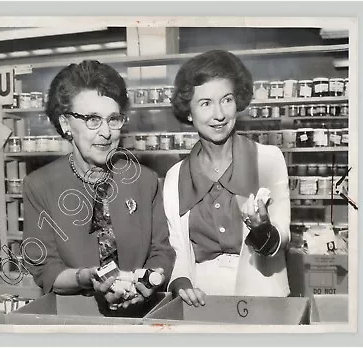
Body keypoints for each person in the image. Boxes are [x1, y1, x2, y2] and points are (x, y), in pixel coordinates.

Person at [22, 60, 175, 310]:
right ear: (65, 124)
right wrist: (87, 277)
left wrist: (148, 282)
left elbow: (162, 252)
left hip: (141, 314)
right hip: (75, 319)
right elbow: (46, 270)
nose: (106, 132)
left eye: (113, 119)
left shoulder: (145, 181)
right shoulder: (39, 185)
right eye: (93, 119)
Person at [163, 50, 290, 307]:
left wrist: (262, 229)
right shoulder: (175, 176)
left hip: (262, 297)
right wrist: (181, 284)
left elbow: (281, 240)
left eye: (227, 100)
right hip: (202, 302)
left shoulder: (268, 159)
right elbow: (176, 248)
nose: (219, 114)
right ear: (189, 112)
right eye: (205, 103)